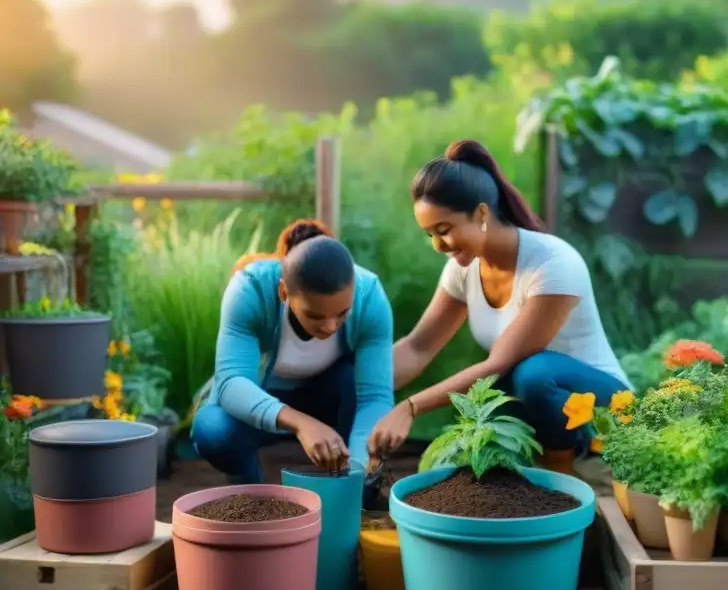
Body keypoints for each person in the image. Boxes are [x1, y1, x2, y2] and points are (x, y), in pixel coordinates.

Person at [368, 140, 631, 474]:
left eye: (444, 230)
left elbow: (499, 363)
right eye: (429, 234)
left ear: (481, 214)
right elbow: (418, 347)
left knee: (532, 373)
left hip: (601, 408)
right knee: (489, 400)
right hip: (535, 406)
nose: (437, 245)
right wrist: (360, 385)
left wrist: (410, 407)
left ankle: (562, 476)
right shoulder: (463, 269)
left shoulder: (553, 263)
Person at [191, 219, 394, 487]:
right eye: (314, 315)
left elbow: (375, 396)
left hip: (327, 399)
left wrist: (358, 470)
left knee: (349, 380)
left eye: (342, 313)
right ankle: (250, 488)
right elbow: (231, 383)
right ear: (284, 292)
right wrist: (300, 423)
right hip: (258, 402)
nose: (330, 326)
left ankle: (346, 481)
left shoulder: (369, 297)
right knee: (214, 430)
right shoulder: (251, 289)